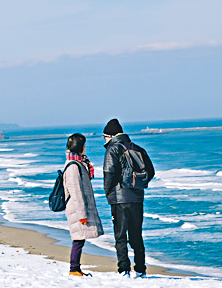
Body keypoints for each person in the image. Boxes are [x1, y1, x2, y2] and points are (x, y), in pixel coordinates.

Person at [102, 118, 155, 278]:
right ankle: (140, 269)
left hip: (119, 199)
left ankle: (124, 269)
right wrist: (138, 185)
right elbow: (150, 172)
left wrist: (109, 193)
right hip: (137, 198)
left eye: (104, 137)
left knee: (120, 236)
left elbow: (109, 174)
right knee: (136, 235)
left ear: (109, 136)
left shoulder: (112, 149)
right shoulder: (137, 148)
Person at [63, 133, 104, 277]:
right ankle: (74, 269)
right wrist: (82, 214)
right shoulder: (73, 166)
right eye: (84, 145)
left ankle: (76, 268)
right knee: (78, 239)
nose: (85, 148)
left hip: (78, 207)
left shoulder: (77, 163)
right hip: (76, 208)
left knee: (79, 238)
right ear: (79, 147)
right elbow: (76, 191)